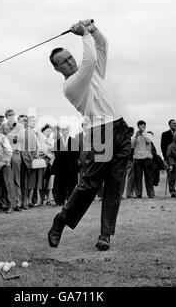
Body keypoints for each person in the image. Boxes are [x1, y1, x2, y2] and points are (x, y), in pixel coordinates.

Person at [47, 20, 131, 251]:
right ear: (57, 69)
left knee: (115, 185)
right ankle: (61, 220)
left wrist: (93, 30)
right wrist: (83, 33)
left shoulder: (94, 72)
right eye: (62, 62)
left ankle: (105, 234)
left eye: (69, 57)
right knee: (90, 184)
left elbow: (102, 47)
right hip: (99, 132)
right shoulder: (71, 85)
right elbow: (90, 58)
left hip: (121, 128)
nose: (69, 62)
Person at [0, 109, 25, 209]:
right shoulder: (2, 126)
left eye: (13, 114)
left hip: (16, 154)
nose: (11, 116)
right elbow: (1, 138)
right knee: (7, 180)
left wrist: (8, 137)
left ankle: (18, 203)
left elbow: (19, 138)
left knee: (16, 179)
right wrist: (11, 137)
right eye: (9, 115)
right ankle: (8, 203)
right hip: (6, 154)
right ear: (6, 116)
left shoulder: (20, 126)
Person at [52, 125, 79, 206]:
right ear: (61, 131)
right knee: (60, 185)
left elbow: (77, 154)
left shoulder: (74, 141)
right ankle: (60, 201)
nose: (64, 132)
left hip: (71, 167)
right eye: (63, 130)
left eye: (66, 130)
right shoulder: (57, 142)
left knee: (72, 184)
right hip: (60, 168)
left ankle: (72, 201)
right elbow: (56, 154)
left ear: (68, 131)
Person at [160, 119, 176, 197]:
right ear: (169, 125)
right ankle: (172, 192)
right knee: (171, 175)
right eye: (173, 123)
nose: (175, 125)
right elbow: (163, 147)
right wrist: (165, 158)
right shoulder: (165, 134)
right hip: (169, 157)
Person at [131, 120, 155, 198]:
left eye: (143, 125)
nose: (142, 127)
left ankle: (150, 193)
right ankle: (138, 194)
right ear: (138, 126)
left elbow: (149, 140)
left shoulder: (148, 134)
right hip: (137, 158)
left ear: (145, 126)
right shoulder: (136, 136)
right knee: (137, 178)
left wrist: (143, 132)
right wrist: (135, 136)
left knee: (149, 177)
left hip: (147, 158)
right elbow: (131, 145)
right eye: (140, 125)